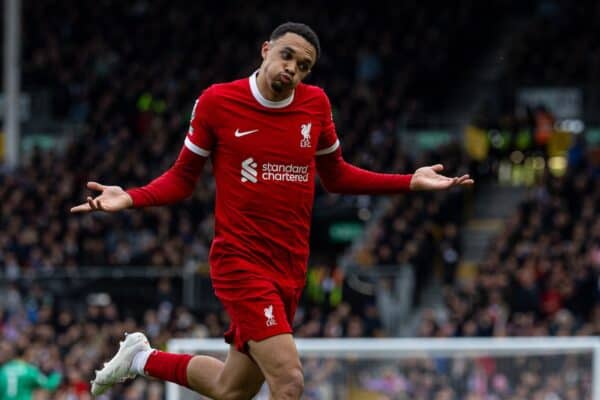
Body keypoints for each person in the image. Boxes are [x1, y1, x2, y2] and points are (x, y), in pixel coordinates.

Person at [71, 22, 473, 400]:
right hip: (240, 262)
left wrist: (409, 181)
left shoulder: (315, 105)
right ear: (266, 50)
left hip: (290, 267)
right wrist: (131, 197)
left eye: (303, 66)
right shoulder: (219, 102)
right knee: (289, 381)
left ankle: (141, 358)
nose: (292, 70)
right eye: (286, 56)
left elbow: (337, 177)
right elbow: (182, 178)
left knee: (234, 389)